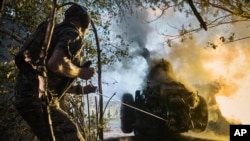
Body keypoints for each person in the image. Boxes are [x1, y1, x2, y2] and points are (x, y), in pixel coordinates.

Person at [14, 4, 97, 141]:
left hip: (23, 97)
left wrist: (80, 90)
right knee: (71, 135)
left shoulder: (51, 31)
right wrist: (81, 71)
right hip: (39, 101)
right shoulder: (72, 33)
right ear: (83, 22)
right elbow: (55, 64)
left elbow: (47, 77)